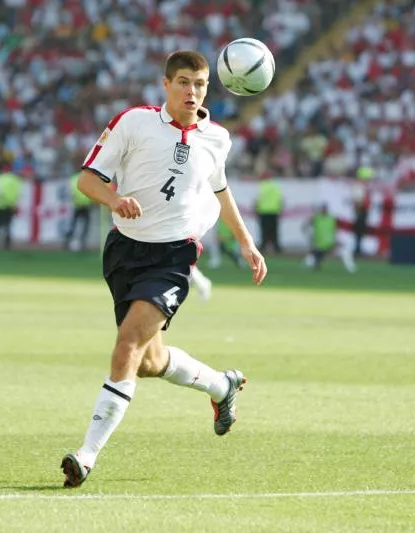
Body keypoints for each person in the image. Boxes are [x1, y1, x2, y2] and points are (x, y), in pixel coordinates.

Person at [61, 50, 267, 488]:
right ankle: (220, 386)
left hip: (174, 257)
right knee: (149, 360)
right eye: (184, 83)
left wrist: (247, 242)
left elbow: (221, 191)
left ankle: (86, 455)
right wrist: (114, 198)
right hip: (124, 251)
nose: (192, 92)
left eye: (200, 84)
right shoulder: (133, 122)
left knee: (127, 345)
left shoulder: (217, 139)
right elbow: (87, 180)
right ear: (166, 84)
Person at [303, 204, 356, 273]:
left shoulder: (331, 218)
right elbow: (305, 227)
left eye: (325, 209)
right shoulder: (316, 218)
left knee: (345, 252)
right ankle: (310, 266)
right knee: (309, 261)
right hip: (319, 246)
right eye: (323, 209)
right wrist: (311, 241)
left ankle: (351, 269)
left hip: (330, 245)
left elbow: (336, 232)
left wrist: (336, 242)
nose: (324, 210)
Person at [0, 164, 23, 250]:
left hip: (0, 205)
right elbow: (17, 193)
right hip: (10, 205)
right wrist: (14, 204)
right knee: (8, 227)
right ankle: (7, 245)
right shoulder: (15, 179)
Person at [64, 171, 93, 251]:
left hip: (80, 205)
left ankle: (71, 242)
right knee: (82, 225)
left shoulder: (74, 178)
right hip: (82, 205)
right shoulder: (87, 178)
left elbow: (72, 192)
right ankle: (80, 243)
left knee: (75, 225)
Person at [255, 174, 283, 254]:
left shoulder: (262, 186)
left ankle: (263, 246)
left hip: (264, 211)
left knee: (264, 230)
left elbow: (258, 199)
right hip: (274, 211)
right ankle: (276, 247)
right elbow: (280, 199)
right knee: (274, 230)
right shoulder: (276, 186)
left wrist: (256, 208)